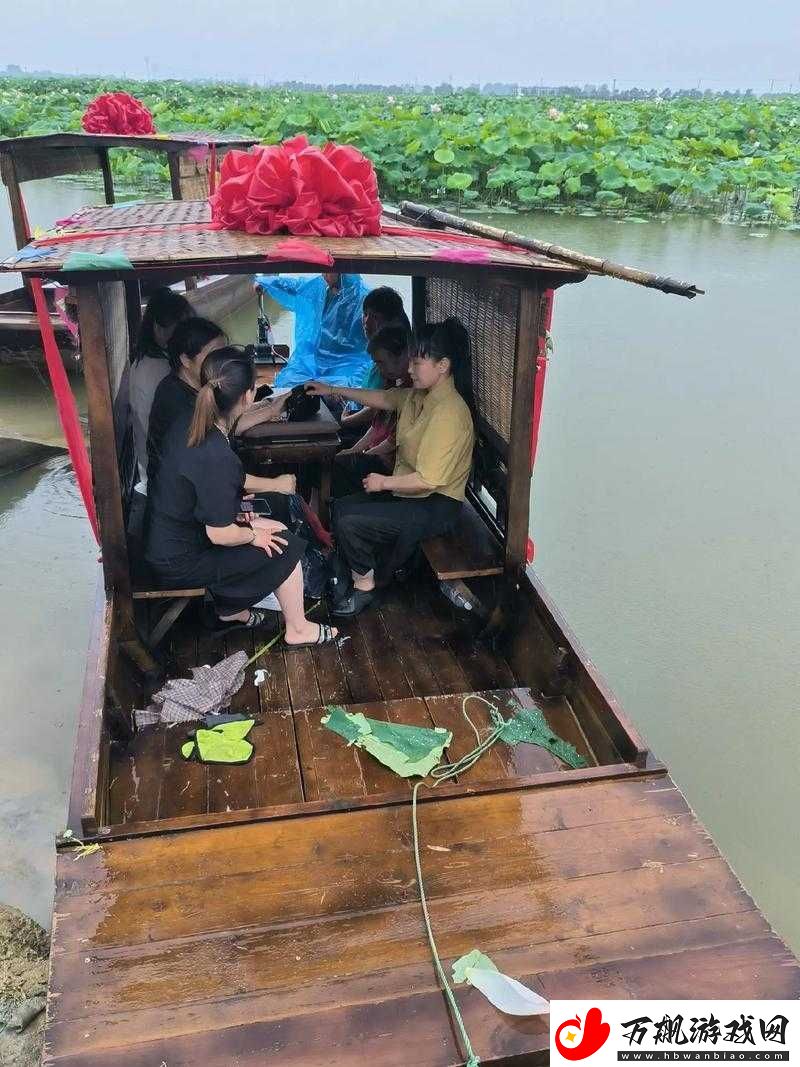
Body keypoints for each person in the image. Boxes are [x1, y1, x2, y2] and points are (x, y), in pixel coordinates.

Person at [146, 345, 337, 644]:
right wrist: (251, 535)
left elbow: (211, 490)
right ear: (248, 397)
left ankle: (231, 611)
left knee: (273, 524)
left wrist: (249, 521)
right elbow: (220, 534)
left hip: (173, 539)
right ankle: (298, 629)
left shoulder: (191, 422)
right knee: (284, 545)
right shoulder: (215, 453)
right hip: (181, 561)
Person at [307, 318, 475, 616]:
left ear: (443, 365)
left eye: (417, 362)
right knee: (343, 507)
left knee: (350, 523)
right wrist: (331, 389)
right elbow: (383, 398)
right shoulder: (418, 396)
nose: (409, 370)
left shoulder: (450, 413)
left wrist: (383, 483)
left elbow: (428, 479)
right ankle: (368, 568)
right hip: (412, 493)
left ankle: (366, 588)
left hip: (436, 505)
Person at [332, 322, 411, 497]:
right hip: (376, 453)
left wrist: (364, 455)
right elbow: (375, 427)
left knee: (335, 465)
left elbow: (392, 442)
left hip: (389, 466)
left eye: (382, 363)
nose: (380, 370)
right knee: (332, 454)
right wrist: (354, 450)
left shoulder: (411, 392)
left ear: (402, 357)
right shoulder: (392, 384)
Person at [253, 272, 371, 389]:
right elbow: (294, 285)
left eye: (328, 272)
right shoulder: (319, 287)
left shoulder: (365, 297)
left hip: (348, 360)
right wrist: (265, 282)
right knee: (288, 384)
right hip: (313, 358)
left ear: (342, 272)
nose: (324, 275)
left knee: (347, 389)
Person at [129, 288, 192, 489]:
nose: (185, 335)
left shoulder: (151, 359)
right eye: (180, 328)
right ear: (158, 327)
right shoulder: (159, 370)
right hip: (164, 473)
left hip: (156, 464)